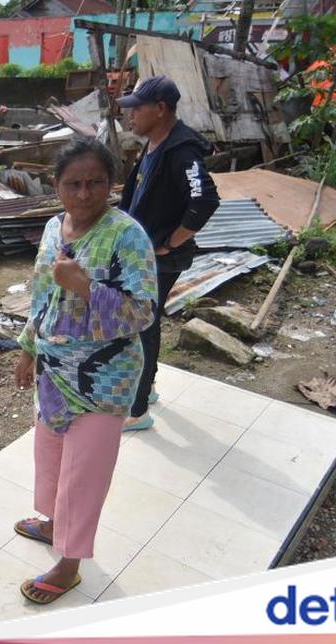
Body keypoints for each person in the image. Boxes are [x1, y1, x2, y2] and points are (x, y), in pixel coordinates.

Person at [12, 138, 158, 604]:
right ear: (55, 185)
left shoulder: (127, 235)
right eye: (72, 183)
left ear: (111, 184)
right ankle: (53, 523)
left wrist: (85, 285)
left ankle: (69, 563)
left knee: (83, 471)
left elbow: (143, 312)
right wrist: (27, 349)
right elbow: (40, 295)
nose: (84, 193)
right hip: (54, 370)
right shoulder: (55, 228)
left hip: (104, 378)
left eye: (96, 182)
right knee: (50, 452)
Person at [116, 75, 220, 431]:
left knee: (142, 323)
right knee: (145, 319)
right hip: (144, 252)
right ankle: (149, 386)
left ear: (160, 109)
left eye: (137, 109)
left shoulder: (182, 151)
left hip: (161, 256)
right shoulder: (156, 143)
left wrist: (172, 242)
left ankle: (138, 408)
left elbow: (204, 199)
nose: (131, 117)